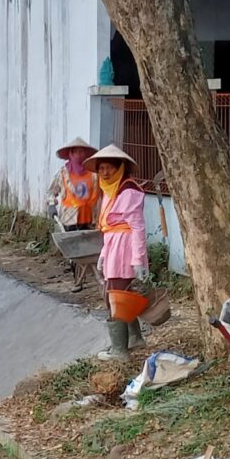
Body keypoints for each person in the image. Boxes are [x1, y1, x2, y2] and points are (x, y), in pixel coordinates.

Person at [84, 144, 149, 361]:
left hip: (125, 250)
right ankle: (135, 338)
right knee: (122, 295)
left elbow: (137, 227)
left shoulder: (128, 190)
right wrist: (103, 255)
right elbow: (109, 226)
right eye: (101, 168)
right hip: (114, 248)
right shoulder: (110, 191)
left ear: (120, 167)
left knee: (115, 298)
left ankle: (120, 351)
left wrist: (139, 260)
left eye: (109, 167)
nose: (104, 172)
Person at [47, 137, 99, 230]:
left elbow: (102, 194)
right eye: (75, 152)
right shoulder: (63, 173)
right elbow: (51, 191)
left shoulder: (94, 174)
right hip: (69, 220)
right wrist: (51, 205)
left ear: (86, 154)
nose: (79, 155)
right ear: (70, 154)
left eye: (81, 152)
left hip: (90, 220)